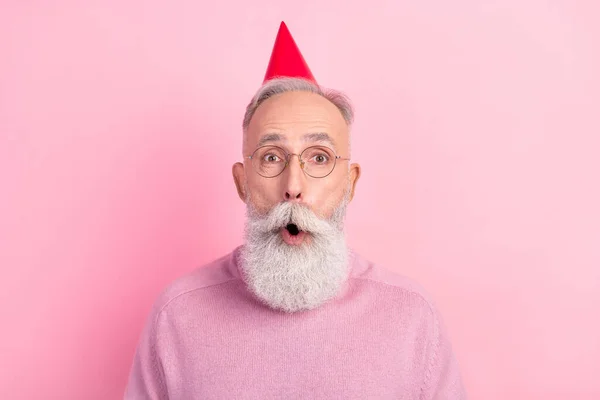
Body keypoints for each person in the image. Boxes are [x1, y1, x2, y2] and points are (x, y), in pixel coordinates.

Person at [124, 21, 467, 399]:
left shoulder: (412, 316)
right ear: (242, 182)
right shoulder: (177, 314)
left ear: (349, 182)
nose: (293, 186)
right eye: (272, 157)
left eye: (318, 158)